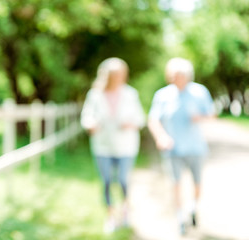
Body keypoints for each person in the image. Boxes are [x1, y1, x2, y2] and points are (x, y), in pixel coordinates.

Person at [148, 57, 215, 235]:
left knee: (197, 182)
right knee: (175, 183)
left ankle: (193, 208)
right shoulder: (162, 95)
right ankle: (180, 218)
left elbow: (212, 114)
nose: (179, 78)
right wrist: (161, 137)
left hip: (195, 147)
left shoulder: (200, 92)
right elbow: (153, 120)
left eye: (182, 74)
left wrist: (199, 117)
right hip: (173, 149)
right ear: (170, 76)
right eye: (175, 75)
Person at [80, 57, 145, 234]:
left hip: (126, 146)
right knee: (107, 181)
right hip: (103, 146)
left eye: (121, 74)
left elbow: (140, 119)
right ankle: (111, 215)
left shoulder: (131, 94)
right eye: (114, 74)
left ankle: (125, 211)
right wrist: (90, 124)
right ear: (106, 75)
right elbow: (86, 117)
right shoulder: (95, 94)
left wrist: (130, 124)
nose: (118, 77)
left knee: (123, 180)